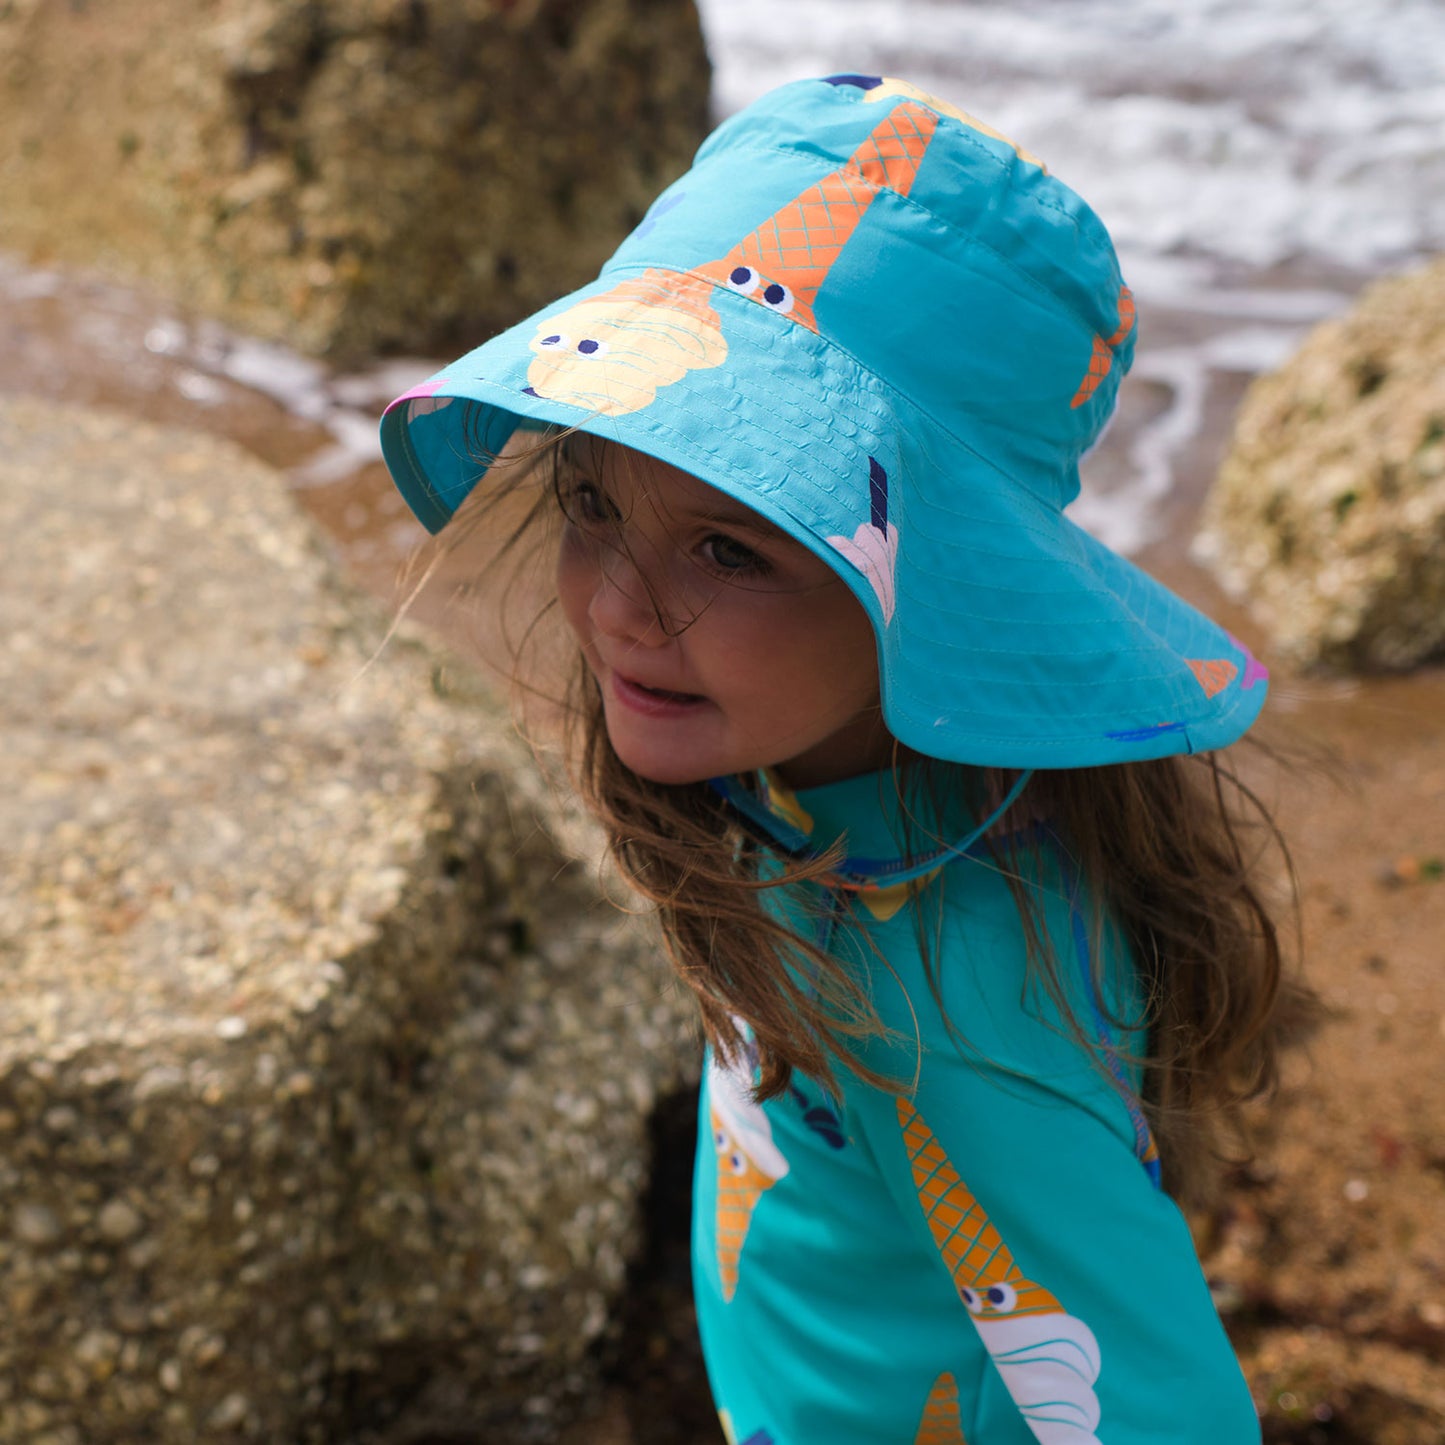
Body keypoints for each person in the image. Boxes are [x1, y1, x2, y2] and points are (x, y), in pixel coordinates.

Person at [379, 74, 1309, 1445]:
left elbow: (1158, 1405)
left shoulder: (961, 986)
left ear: (933, 581)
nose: (622, 607)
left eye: (727, 546)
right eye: (591, 502)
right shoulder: (806, 782)